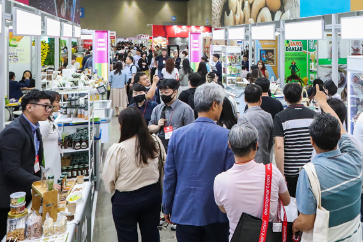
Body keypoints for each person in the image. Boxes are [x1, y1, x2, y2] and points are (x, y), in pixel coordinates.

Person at [163, 83, 235, 242]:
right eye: (221, 104)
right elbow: (231, 178)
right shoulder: (227, 137)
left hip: (184, 209)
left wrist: (167, 206)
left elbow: (170, 175)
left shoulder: (177, 135)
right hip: (216, 213)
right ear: (214, 105)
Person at [293, 85, 362, 241]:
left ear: (312, 141)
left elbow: (306, 222)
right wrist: (323, 102)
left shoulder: (310, 173)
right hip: (354, 236)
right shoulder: (354, 158)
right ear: (339, 138)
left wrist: (295, 226)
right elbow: (341, 130)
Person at [214, 122, 290, 241]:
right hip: (267, 237)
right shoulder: (272, 172)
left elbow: (223, 209)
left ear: (229, 145)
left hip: (237, 237)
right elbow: (286, 201)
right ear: (256, 146)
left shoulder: (220, 180)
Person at [102, 107, 165, 242]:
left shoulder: (118, 149)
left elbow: (108, 179)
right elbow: (163, 165)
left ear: (124, 126)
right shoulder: (154, 141)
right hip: (152, 195)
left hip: (126, 200)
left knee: (127, 237)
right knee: (151, 234)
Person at [0, 90, 51, 238]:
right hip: (9, 199)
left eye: (50, 107)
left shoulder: (34, 128)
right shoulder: (14, 131)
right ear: (29, 107)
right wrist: (40, 182)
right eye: (45, 106)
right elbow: (11, 169)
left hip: (24, 192)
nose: (48, 110)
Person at [273, 83, 316, 197]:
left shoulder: (280, 117)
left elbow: (279, 146)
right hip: (310, 170)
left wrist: (281, 174)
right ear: (301, 97)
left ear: (285, 98)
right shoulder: (313, 115)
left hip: (290, 172)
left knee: (291, 205)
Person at [148, 79, 195, 151]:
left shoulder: (185, 109)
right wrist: (157, 127)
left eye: (166, 92)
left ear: (175, 92)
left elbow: (191, 132)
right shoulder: (157, 108)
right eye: (161, 92)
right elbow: (150, 127)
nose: (163, 95)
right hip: (160, 147)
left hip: (178, 147)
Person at [240, 84, 273, 164]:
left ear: (245, 99)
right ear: (260, 99)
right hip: (265, 162)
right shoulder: (268, 116)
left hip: (249, 163)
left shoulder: (243, 118)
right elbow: (271, 142)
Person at [39, 91, 61, 181]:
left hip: (54, 162)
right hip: (48, 166)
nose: (59, 104)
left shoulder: (50, 120)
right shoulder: (44, 124)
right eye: (57, 101)